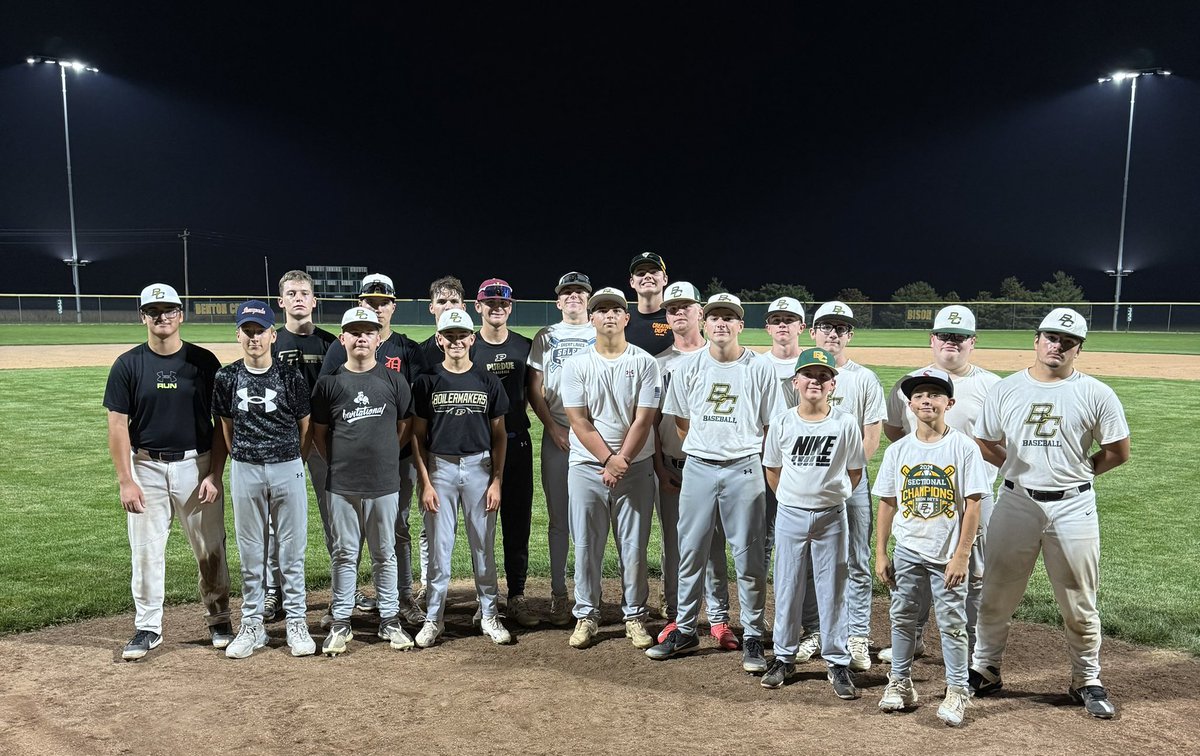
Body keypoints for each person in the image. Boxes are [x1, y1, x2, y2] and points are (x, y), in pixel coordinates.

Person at [969, 308, 1130, 719]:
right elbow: (986, 440)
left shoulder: (1096, 392)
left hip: (1074, 504)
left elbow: (1117, 451)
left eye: (1067, 341)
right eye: (1050, 337)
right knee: (997, 592)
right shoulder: (1006, 389)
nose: (1057, 346)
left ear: (1079, 349)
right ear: (1036, 340)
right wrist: (1015, 469)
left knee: (1079, 598)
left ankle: (1086, 679)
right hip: (1017, 500)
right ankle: (985, 668)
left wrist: (1078, 474)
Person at [646, 293, 784, 675]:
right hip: (700, 467)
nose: (722, 324)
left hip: (744, 467)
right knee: (690, 551)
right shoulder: (689, 367)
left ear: (741, 325)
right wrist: (708, 446)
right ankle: (687, 628)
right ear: (704, 323)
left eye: (730, 318)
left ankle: (754, 633)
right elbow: (682, 422)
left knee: (749, 556)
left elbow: (773, 427)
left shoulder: (759, 368)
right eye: (715, 317)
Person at [104, 283, 233, 660]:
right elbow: (117, 426)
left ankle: (219, 618)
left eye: (169, 310)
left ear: (181, 314)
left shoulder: (204, 362)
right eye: (154, 310)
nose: (162, 317)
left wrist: (215, 473)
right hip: (146, 467)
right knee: (145, 551)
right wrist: (126, 480)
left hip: (197, 466)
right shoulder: (128, 364)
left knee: (210, 548)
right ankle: (148, 627)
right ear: (142, 316)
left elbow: (220, 423)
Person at [877, 305, 1000, 663]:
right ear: (932, 339)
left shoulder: (991, 386)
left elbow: (1000, 441)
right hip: (922, 491)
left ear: (972, 342)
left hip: (974, 496)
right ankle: (913, 638)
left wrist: (964, 455)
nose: (952, 342)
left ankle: (976, 650)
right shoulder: (908, 384)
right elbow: (895, 432)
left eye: (960, 337)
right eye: (945, 335)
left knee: (971, 572)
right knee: (915, 566)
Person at [874, 368, 988, 726]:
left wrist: (962, 554)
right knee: (903, 618)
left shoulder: (963, 447)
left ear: (949, 403)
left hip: (947, 553)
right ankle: (901, 682)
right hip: (908, 548)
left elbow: (973, 504)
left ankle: (957, 691)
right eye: (920, 395)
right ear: (909, 404)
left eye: (935, 395)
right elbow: (889, 502)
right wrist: (880, 551)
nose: (927, 400)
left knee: (953, 623)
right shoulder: (899, 450)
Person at [320, 273, 427, 625]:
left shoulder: (408, 348)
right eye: (370, 302)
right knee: (347, 540)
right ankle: (346, 603)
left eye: (384, 303)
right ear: (359, 304)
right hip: (351, 462)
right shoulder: (342, 346)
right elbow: (327, 405)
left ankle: (402, 598)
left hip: (398, 457)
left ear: (393, 307)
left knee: (397, 529)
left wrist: (388, 447)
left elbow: (411, 413)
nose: (377, 308)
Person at [212, 300, 315, 658]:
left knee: (292, 551)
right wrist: (244, 456)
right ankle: (252, 624)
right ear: (238, 334)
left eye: (260, 331)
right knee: (251, 551)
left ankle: (296, 622)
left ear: (273, 334)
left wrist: (292, 461)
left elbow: (306, 427)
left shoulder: (290, 376)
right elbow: (226, 427)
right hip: (246, 469)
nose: (254, 338)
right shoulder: (226, 377)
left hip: (287, 466)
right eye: (248, 331)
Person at [760, 348, 865, 699]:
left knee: (833, 588)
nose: (815, 381)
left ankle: (836, 661)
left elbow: (855, 469)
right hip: (790, 513)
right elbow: (772, 469)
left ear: (833, 384)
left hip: (831, 516)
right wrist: (793, 499)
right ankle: (785, 656)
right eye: (808, 375)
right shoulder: (784, 421)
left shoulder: (845, 422)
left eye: (823, 376)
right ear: (796, 382)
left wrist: (829, 496)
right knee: (788, 585)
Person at [560, 287, 661, 650]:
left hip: (634, 467)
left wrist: (621, 462)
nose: (609, 316)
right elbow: (579, 420)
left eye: (616, 309)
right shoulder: (577, 364)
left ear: (626, 317)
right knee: (586, 545)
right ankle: (587, 614)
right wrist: (608, 460)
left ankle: (634, 615)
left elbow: (644, 420)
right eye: (600, 310)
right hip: (587, 466)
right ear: (592, 318)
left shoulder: (644, 362)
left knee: (633, 547)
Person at [311, 307, 415, 655]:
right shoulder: (329, 384)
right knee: (344, 553)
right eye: (353, 332)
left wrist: (382, 457)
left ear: (377, 338)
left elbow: (403, 427)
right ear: (342, 339)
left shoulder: (393, 380)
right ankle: (341, 620)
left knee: (384, 553)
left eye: (367, 332)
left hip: (384, 483)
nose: (360, 337)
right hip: (342, 484)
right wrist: (340, 464)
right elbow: (320, 434)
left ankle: (389, 619)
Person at [412, 309, 512, 647]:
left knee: (483, 546)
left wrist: (497, 480)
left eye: (461, 335)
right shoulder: (427, 380)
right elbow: (417, 436)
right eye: (449, 335)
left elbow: (499, 434)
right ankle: (433, 619)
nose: (456, 341)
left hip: (479, 469)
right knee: (439, 549)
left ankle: (489, 614)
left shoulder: (487, 381)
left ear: (472, 339)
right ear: (439, 339)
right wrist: (425, 482)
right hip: (439, 468)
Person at [794, 301, 885, 671]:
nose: (834, 333)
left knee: (858, 560)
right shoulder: (801, 375)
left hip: (854, 484)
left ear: (850, 335)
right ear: (812, 332)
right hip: (810, 486)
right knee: (810, 561)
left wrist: (847, 479)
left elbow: (872, 435)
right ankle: (813, 631)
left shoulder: (863, 379)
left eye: (842, 328)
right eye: (827, 326)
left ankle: (857, 634)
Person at [652, 282, 734, 647]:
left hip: (716, 465)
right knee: (677, 544)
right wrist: (658, 466)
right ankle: (676, 616)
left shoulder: (724, 358)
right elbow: (652, 421)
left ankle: (718, 619)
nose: (679, 313)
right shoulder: (658, 363)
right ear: (666, 317)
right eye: (672, 308)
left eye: (686, 306)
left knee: (715, 547)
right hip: (673, 464)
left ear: (700, 312)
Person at [264, 269, 337, 623]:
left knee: (335, 516)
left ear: (314, 301)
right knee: (277, 523)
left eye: (303, 293)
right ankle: (274, 591)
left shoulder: (330, 343)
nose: (297, 298)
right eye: (290, 293)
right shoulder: (270, 343)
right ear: (281, 302)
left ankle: (345, 589)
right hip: (281, 442)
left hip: (323, 441)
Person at [528, 271, 597, 625]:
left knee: (594, 521)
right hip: (558, 434)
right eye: (566, 292)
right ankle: (558, 592)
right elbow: (534, 386)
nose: (573, 296)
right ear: (558, 301)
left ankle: (592, 595)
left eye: (579, 292)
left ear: (588, 298)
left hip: (595, 435)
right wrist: (552, 427)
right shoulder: (547, 335)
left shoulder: (600, 329)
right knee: (559, 519)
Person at [470, 278, 538, 628]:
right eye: (490, 302)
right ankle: (486, 598)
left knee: (516, 521)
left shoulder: (524, 347)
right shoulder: (468, 346)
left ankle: (517, 595)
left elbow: (535, 394)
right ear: (478, 306)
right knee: (481, 526)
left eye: (503, 303)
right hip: (478, 447)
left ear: (510, 308)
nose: (497, 307)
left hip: (516, 442)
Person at [761, 296, 807, 574]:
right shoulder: (755, 364)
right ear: (768, 328)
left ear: (801, 327)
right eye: (776, 320)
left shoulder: (813, 364)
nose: (782, 325)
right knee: (763, 537)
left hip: (806, 462)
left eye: (789, 320)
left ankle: (806, 611)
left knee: (804, 539)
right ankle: (758, 611)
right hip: (765, 462)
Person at [624, 252, 673, 356]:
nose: (647, 276)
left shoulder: (676, 317)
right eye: (641, 273)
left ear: (665, 279)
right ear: (632, 282)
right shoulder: (623, 319)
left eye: (654, 272)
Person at [420, 275, 467, 369]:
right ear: (431, 308)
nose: (448, 307)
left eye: (454, 301)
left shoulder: (477, 349)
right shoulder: (420, 353)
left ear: (463, 308)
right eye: (441, 302)